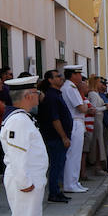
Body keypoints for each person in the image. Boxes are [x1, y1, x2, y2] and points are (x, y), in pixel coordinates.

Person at [0, 76, 49, 216]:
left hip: (32, 180)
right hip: (25, 181)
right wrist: (24, 182)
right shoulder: (18, 121)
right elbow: (17, 156)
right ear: (28, 95)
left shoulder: (23, 118)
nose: (39, 96)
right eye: (36, 93)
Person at [36, 70, 72, 202]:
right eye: (58, 76)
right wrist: (63, 137)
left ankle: (58, 190)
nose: (61, 78)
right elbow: (55, 119)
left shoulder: (57, 94)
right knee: (56, 165)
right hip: (55, 137)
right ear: (50, 80)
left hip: (59, 137)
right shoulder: (51, 96)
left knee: (60, 164)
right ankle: (54, 192)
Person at [60, 65, 90, 193]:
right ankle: (70, 183)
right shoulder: (70, 88)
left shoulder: (71, 87)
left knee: (76, 154)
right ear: (73, 75)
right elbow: (81, 108)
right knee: (73, 154)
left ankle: (74, 181)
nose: (80, 77)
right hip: (75, 122)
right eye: (78, 74)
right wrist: (87, 107)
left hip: (77, 122)